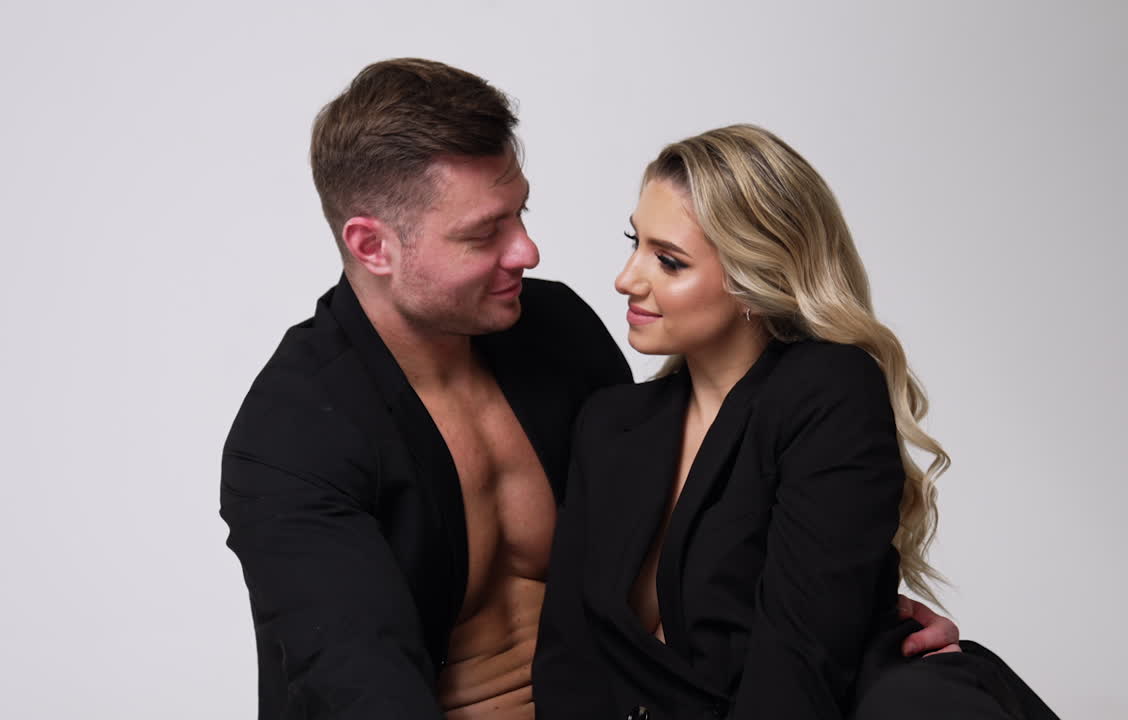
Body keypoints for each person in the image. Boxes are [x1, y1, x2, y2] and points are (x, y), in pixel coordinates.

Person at [220, 60, 959, 720]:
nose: (528, 251)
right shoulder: (289, 436)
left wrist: (851, 608)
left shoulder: (554, 331)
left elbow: (687, 526)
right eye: (484, 234)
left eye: (522, 213)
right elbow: (359, 685)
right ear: (372, 246)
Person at [533, 125, 1059, 720]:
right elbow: (569, 661)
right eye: (635, 242)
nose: (626, 278)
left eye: (669, 261)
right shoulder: (612, 423)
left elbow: (796, 669)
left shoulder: (828, 392)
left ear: (754, 277)